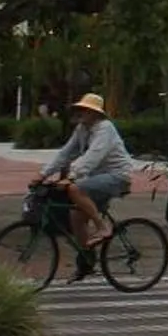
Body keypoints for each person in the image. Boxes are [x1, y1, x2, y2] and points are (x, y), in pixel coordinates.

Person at [38, 93, 131, 250]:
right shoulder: (82, 129)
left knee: (76, 189)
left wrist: (72, 177)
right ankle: (86, 257)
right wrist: (43, 174)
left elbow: (92, 156)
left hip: (117, 176)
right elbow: (66, 153)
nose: (81, 113)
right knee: (76, 217)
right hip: (96, 178)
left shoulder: (105, 129)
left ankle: (102, 227)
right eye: (80, 109)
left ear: (96, 113)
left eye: (86, 110)